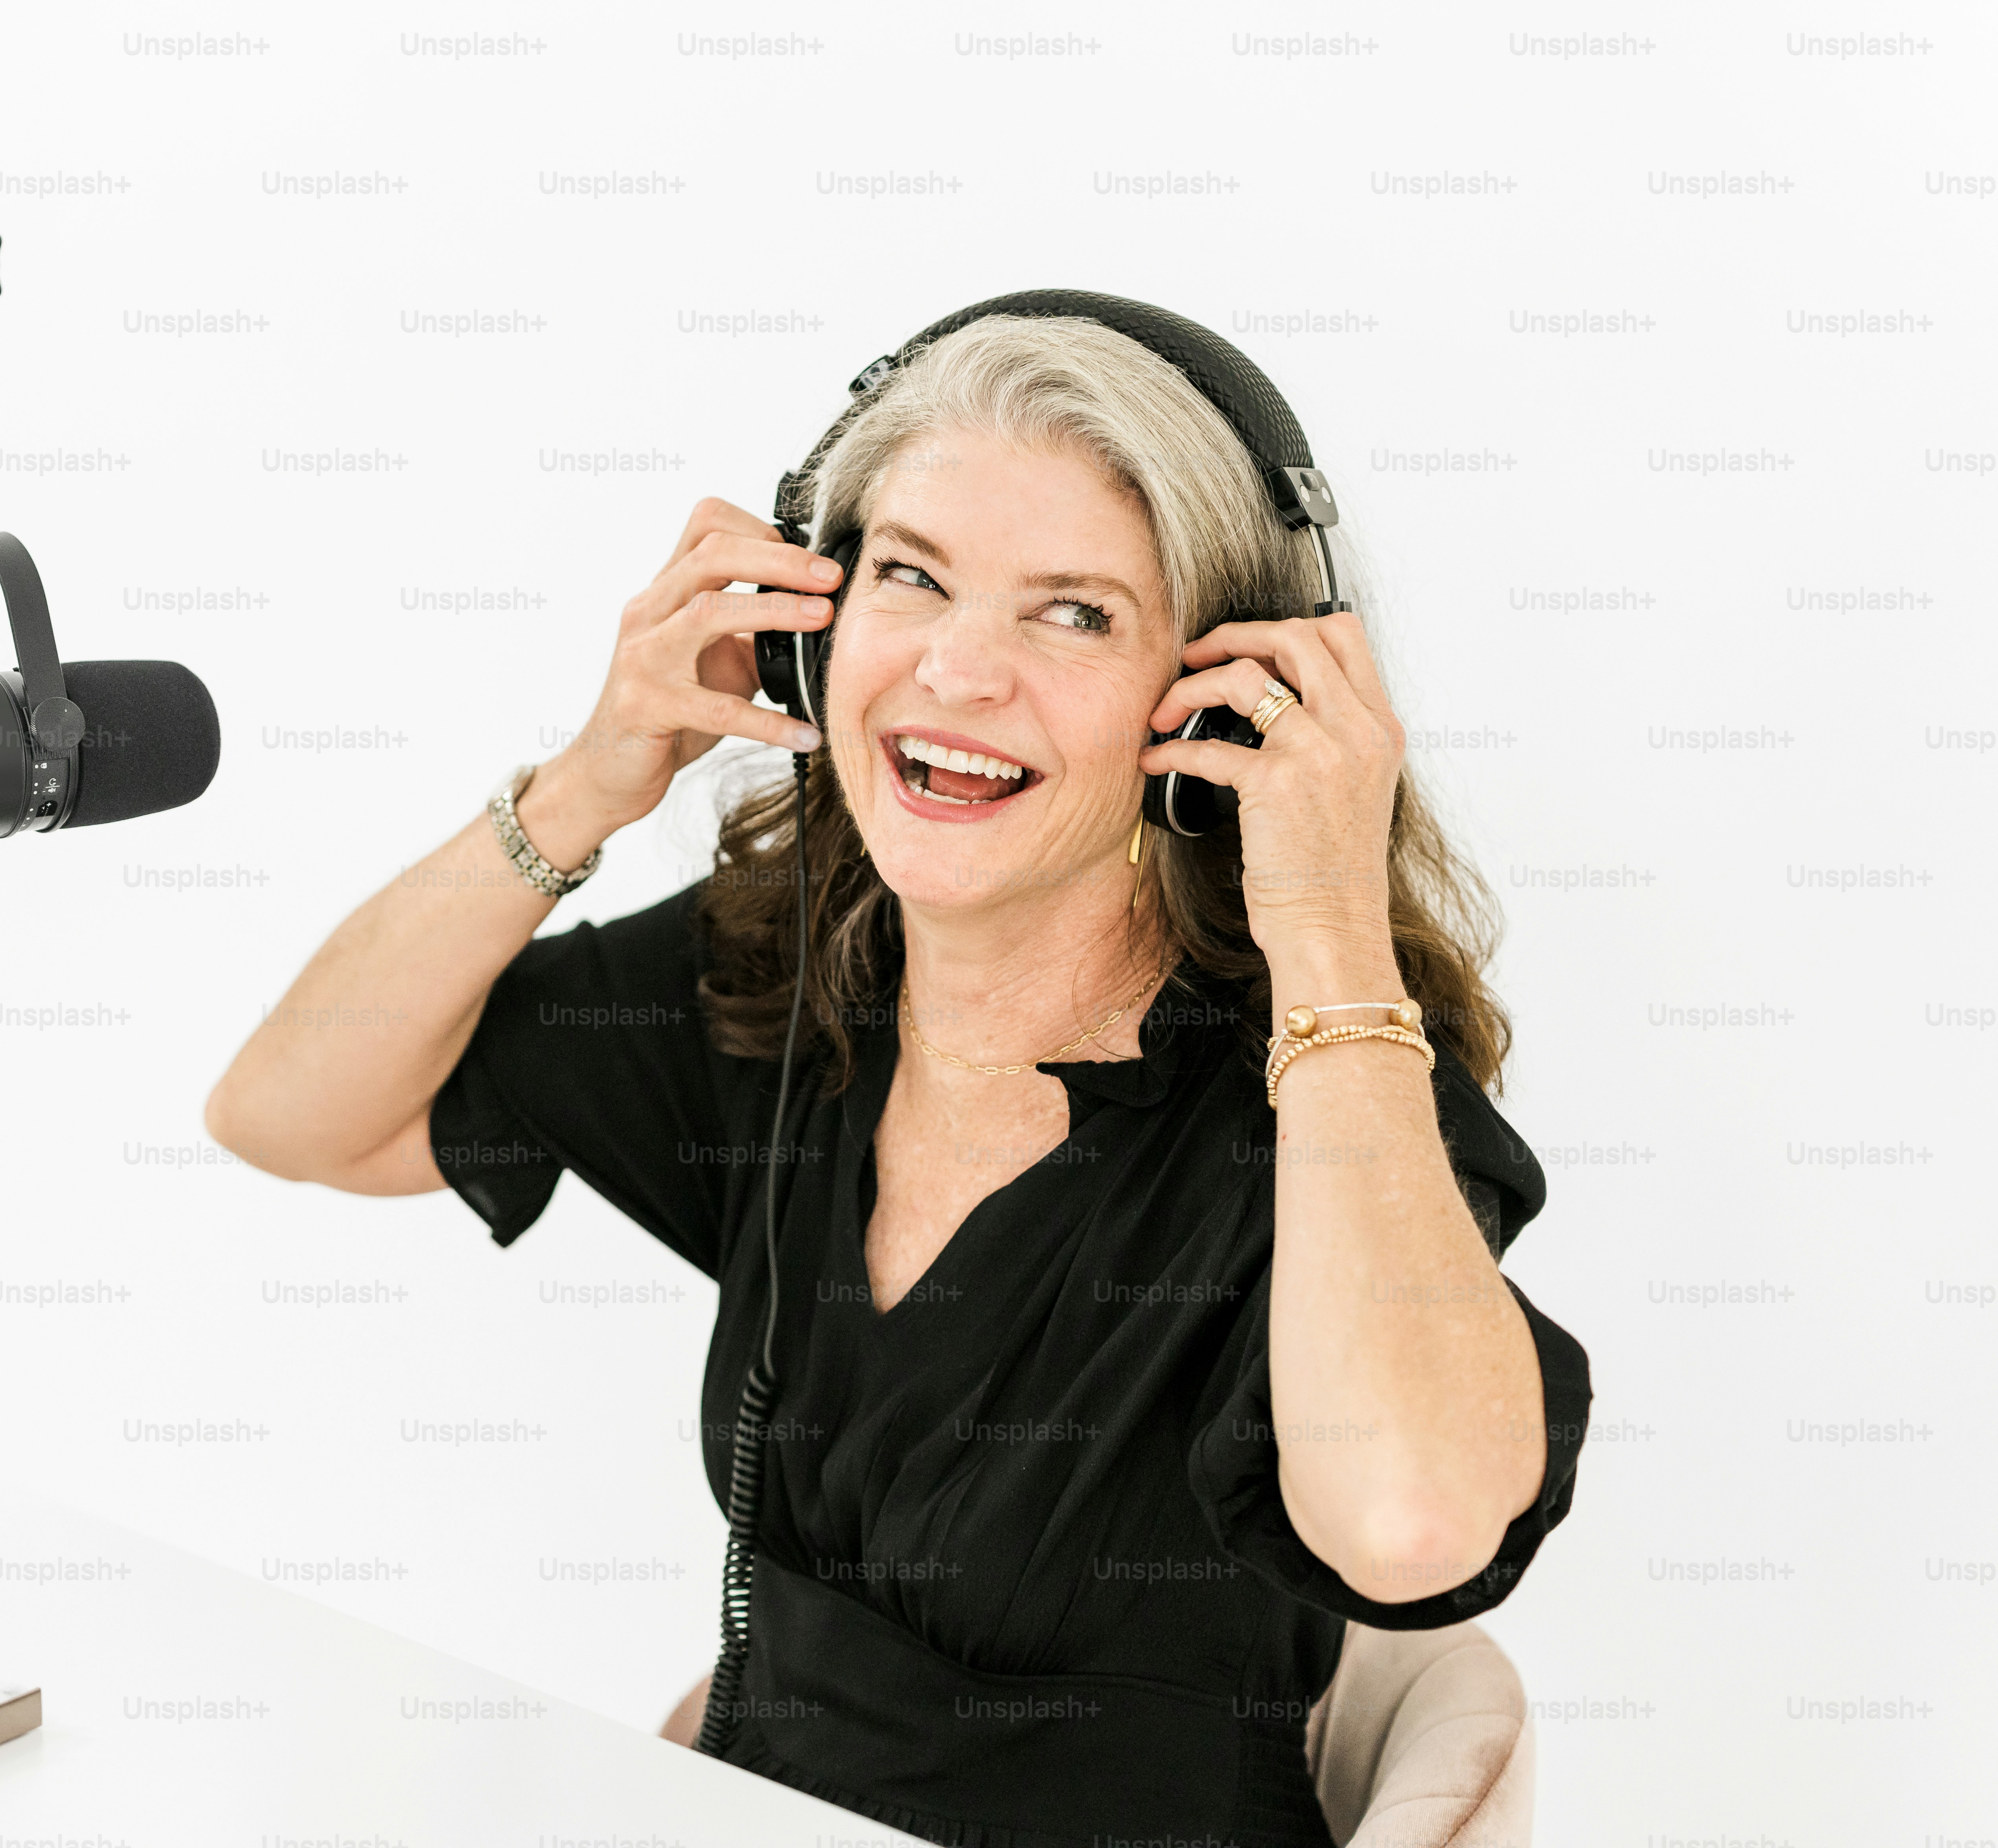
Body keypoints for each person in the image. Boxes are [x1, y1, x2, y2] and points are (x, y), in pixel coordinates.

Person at [206, 314, 1590, 1847]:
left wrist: (1326, 925)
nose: (956, 669)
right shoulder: (788, 979)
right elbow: (291, 1110)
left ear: (1218, 704)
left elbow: (1412, 1527)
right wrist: (591, 779)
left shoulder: (1327, 1104)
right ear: (813, 619)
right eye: (912, 575)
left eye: (1073, 614)